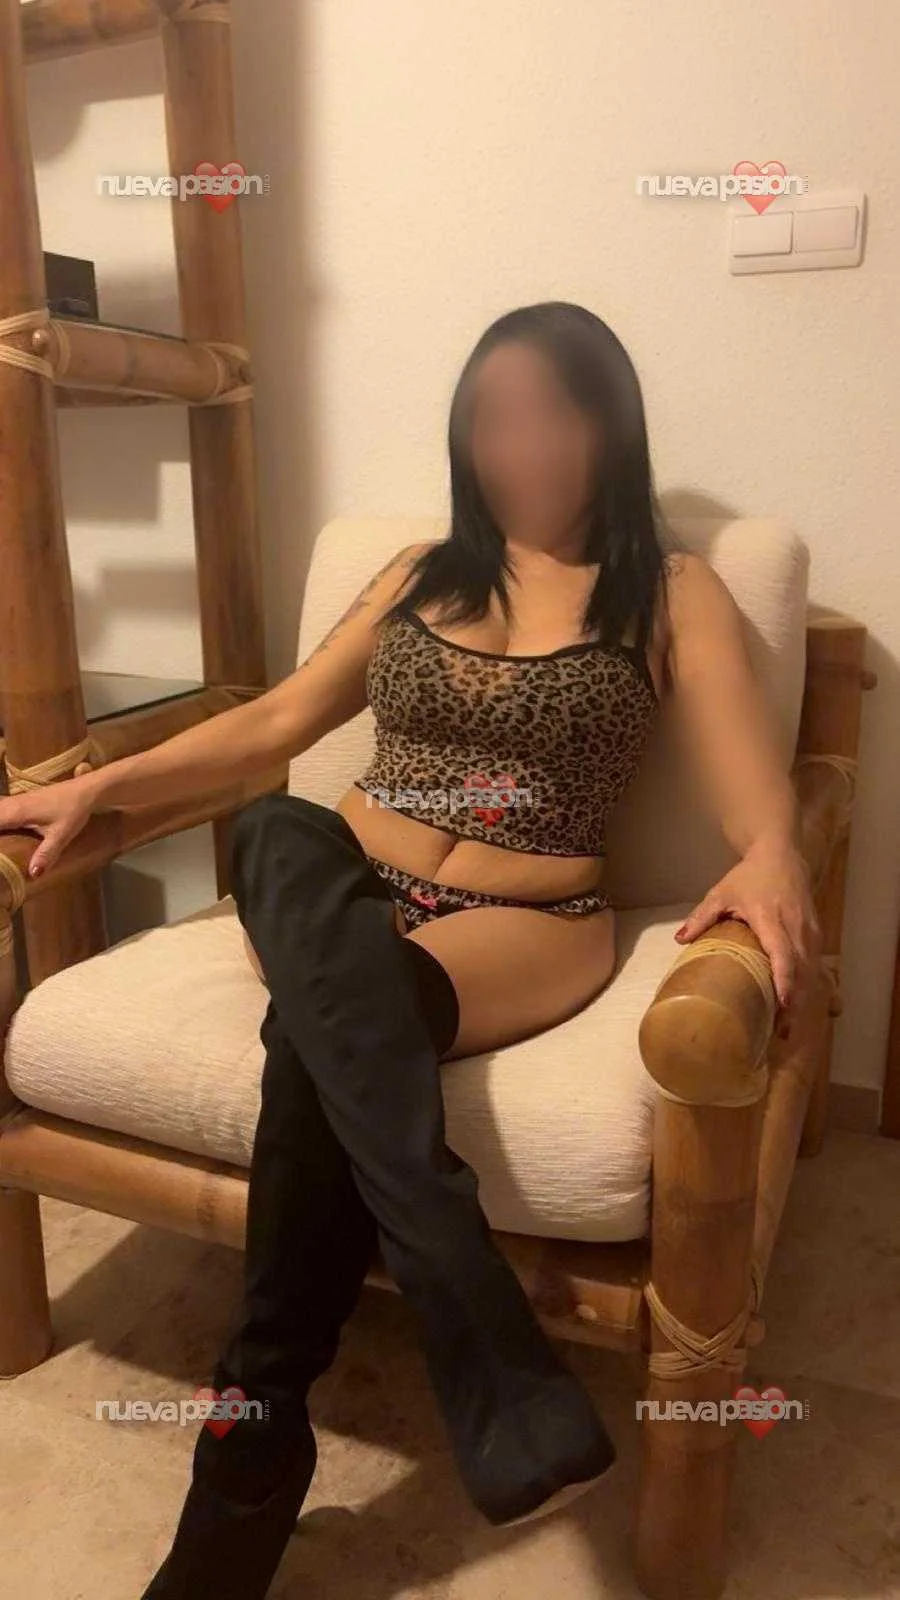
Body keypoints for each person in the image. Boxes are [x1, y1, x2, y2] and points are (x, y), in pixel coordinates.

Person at [0, 302, 821, 1599]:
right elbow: (274, 722)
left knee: (327, 1020)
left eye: (555, 411)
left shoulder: (671, 591)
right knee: (278, 830)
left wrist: (772, 853)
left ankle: (250, 1452)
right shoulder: (419, 574)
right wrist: (98, 787)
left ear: (611, 424)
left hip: (524, 923)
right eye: (493, 417)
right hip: (340, 884)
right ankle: (466, 1301)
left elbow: (754, 799)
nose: (523, 444)